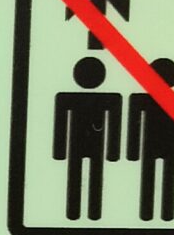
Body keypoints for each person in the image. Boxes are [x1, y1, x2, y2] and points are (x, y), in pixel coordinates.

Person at [125, 57, 174, 222]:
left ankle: (158, 214)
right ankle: (154, 214)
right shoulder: (141, 100)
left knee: (162, 178)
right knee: (155, 177)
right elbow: (134, 126)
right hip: (160, 146)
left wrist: (132, 151)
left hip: (163, 146)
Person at [51, 55, 121, 220]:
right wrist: (59, 151)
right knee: (79, 177)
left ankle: (89, 213)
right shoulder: (66, 98)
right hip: (83, 146)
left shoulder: (109, 99)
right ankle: (77, 213)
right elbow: (61, 125)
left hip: (89, 146)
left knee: (91, 177)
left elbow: (114, 126)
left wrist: (113, 152)